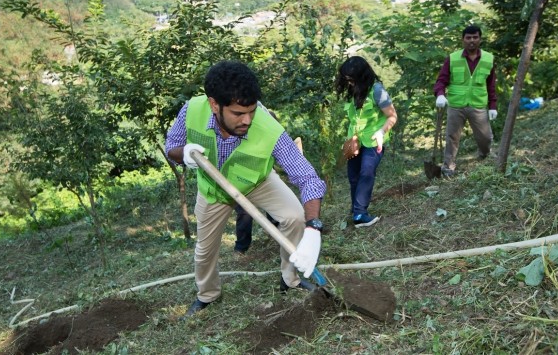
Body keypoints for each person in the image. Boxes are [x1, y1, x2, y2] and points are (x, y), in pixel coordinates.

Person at [165, 60, 326, 318]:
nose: (247, 120)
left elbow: (308, 178)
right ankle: (208, 295)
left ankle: (291, 278)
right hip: (213, 189)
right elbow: (171, 145)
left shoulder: (268, 128)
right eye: (238, 114)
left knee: (294, 216)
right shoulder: (192, 110)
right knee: (205, 251)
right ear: (214, 105)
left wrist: (313, 227)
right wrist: (183, 153)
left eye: (251, 111)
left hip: (257, 182)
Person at [335, 56, 398, 228]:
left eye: (352, 79)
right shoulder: (351, 92)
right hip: (355, 142)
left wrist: (381, 131)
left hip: (373, 140)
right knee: (353, 177)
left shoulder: (377, 91)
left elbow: (392, 116)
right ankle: (356, 209)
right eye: (347, 79)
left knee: (366, 173)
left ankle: (361, 214)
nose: (349, 83)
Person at [433, 25, 497, 177]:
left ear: (480, 39)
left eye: (475, 37)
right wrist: (440, 94)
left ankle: (485, 154)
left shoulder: (489, 59)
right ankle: (448, 166)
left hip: (478, 104)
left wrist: (493, 105)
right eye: (468, 37)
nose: (472, 40)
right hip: (456, 105)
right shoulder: (453, 58)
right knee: (452, 137)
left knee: (486, 137)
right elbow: (441, 80)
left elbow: (491, 85)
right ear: (463, 40)